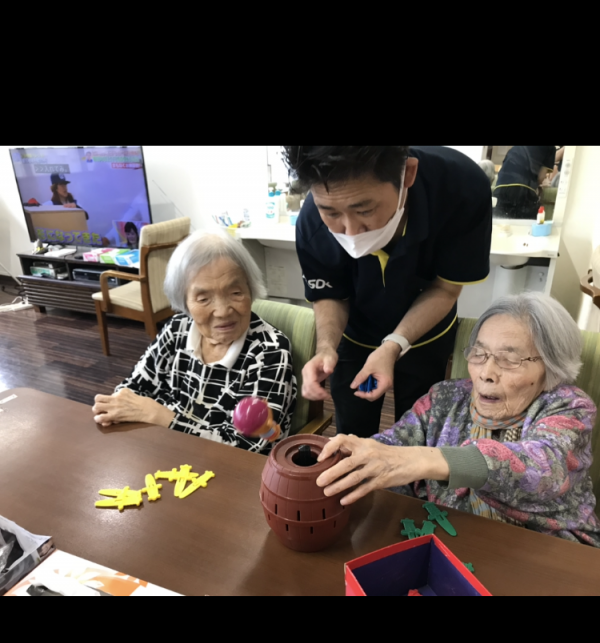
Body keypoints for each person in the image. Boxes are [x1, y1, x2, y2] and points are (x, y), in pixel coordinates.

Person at [315, 293, 600, 546]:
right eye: (479, 353)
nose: (486, 373)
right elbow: (393, 449)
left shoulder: (570, 408)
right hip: (450, 545)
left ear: (551, 365)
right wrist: (347, 461)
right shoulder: (444, 398)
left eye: (509, 360)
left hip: (550, 554)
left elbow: (543, 469)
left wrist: (426, 460)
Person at [285, 145, 492, 438]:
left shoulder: (461, 188)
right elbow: (330, 292)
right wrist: (326, 347)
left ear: (408, 174)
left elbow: (445, 289)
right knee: (353, 432)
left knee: (418, 429)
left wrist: (393, 345)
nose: (350, 231)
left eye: (365, 210)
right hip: (354, 334)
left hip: (425, 334)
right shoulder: (312, 218)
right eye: (331, 213)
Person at [92, 231, 296, 452]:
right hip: (163, 451)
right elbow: (131, 391)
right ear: (185, 302)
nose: (222, 311)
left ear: (251, 289)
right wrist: (132, 409)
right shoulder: (177, 329)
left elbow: (247, 447)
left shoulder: (270, 351)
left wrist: (161, 416)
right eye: (204, 298)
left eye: (235, 292)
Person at [493, 147, 556, 219]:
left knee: (499, 221)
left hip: (500, 187)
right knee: (525, 223)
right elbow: (541, 177)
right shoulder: (550, 148)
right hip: (523, 189)